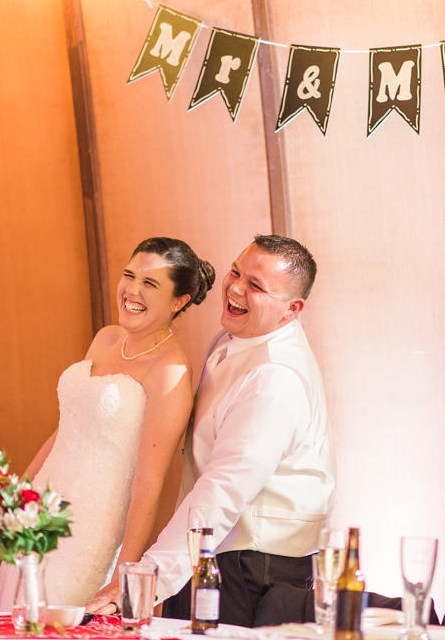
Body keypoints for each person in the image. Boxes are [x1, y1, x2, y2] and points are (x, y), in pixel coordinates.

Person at [86, 235, 336, 628]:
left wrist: (150, 576)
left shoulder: (274, 379)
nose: (235, 288)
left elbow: (224, 487)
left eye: (255, 285)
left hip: (254, 566)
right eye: (236, 271)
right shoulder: (233, 337)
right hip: (208, 549)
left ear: (292, 309)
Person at [0, 237, 215, 609]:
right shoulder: (106, 338)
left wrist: (124, 574)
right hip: (44, 511)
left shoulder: (170, 371)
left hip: (93, 529)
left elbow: (151, 481)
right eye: (130, 275)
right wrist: (14, 496)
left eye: (150, 284)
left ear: (179, 301)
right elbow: (66, 429)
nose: (132, 290)